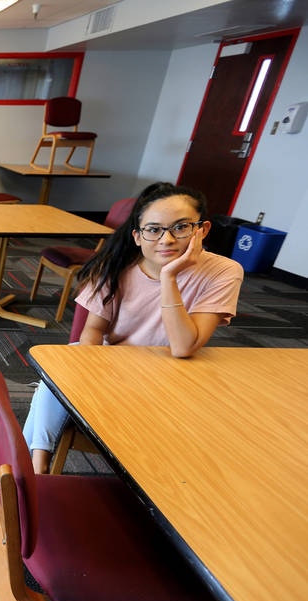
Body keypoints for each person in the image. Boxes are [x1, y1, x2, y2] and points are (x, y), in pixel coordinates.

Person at [22, 181, 244, 474]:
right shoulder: (116, 266)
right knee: (57, 368)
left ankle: (29, 472)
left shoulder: (223, 272)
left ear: (202, 230)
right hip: (112, 364)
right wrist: (84, 372)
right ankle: (38, 466)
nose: (167, 239)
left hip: (175, 377)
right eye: (154, 230)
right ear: (138, 236)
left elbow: (183, 347)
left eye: (181, 227)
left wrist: (169, 277)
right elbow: (92, 331)